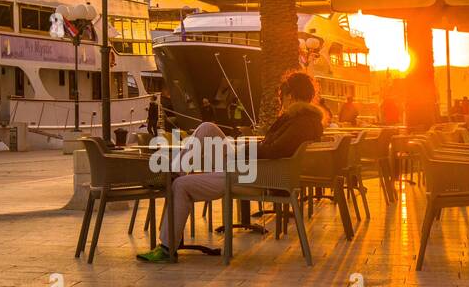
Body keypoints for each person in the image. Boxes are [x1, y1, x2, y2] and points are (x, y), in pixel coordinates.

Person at [136, 70, 329, 263]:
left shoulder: (300, 122)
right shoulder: (304, 120)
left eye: (282, 95)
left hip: (253, 175)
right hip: (251, 169)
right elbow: (274, 148)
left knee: (180, 185)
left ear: (290, 95)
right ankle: (175, 172)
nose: (281, 100)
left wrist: (245, 150)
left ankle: (167, 247)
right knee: (207, 128)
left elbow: (274, 150)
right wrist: (247, 150)